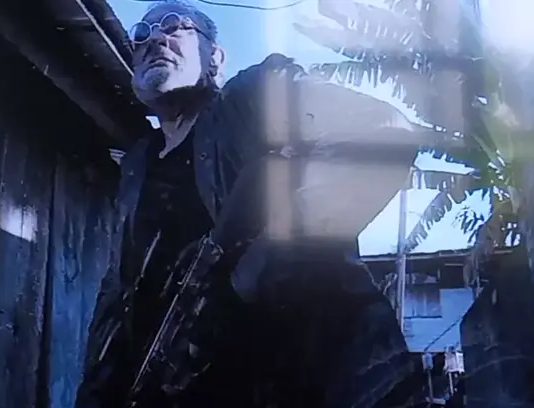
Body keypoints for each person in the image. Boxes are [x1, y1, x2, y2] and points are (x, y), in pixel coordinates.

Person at [76, 0, 422, 407]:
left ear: (215, 58)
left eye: (173, 26)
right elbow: (116, 295)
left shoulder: (252, 98)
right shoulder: (136, 169)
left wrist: (248, 274)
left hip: (305, 379)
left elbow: (382, 132)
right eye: (142, 34)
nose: (155, 39)